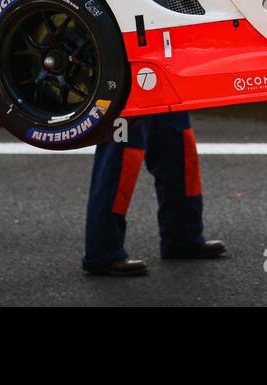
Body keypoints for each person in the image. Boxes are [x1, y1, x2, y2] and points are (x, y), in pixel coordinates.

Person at [82, 111, 226, 276]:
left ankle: (182, 237)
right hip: (130, 89)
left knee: (178, 142)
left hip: (167, 86)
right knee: (122, 155)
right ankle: (103, 250)